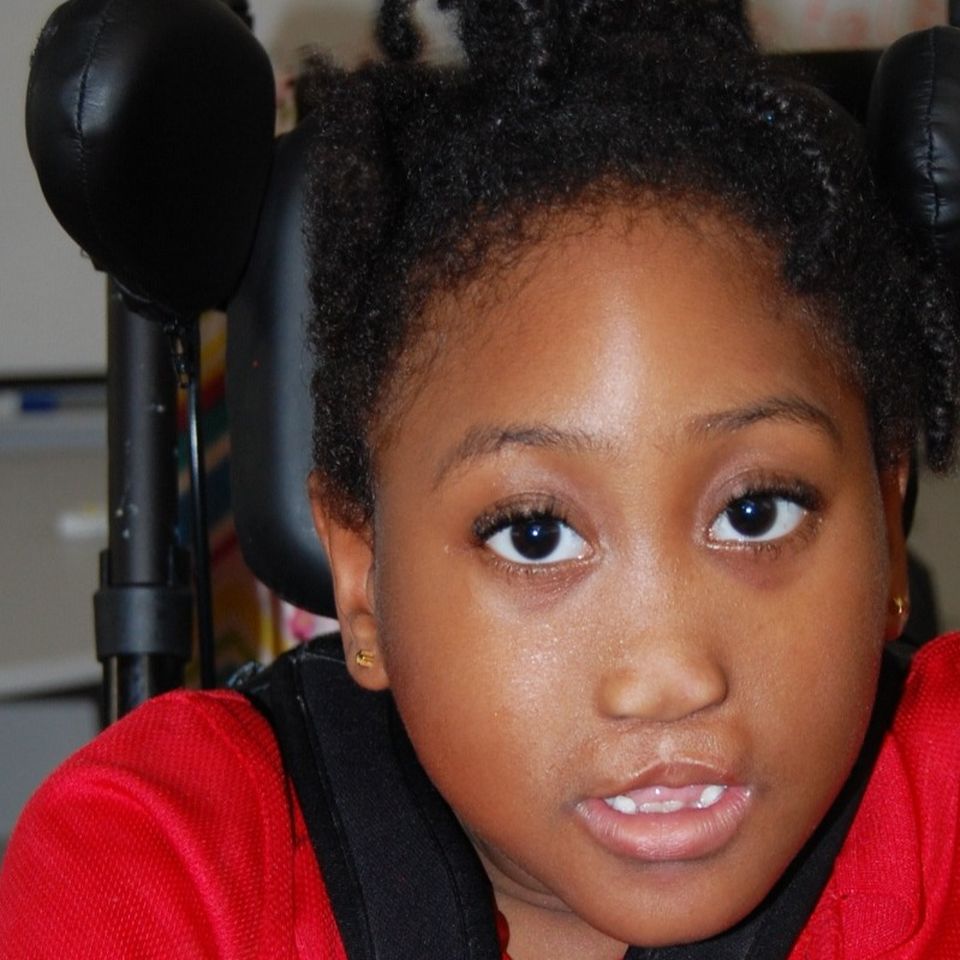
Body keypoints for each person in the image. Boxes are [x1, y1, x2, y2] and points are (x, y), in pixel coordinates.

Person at [2, 1, 960, 957]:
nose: (669, 677)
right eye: (535, 534)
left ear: (887, 513)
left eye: (755, 513)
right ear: (363, 577)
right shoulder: (156, 870)